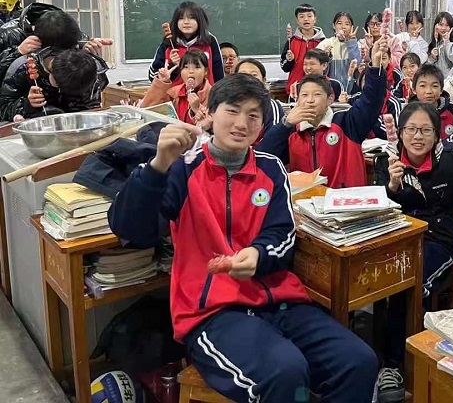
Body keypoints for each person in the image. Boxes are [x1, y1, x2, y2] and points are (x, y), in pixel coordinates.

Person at [109, 74, 378, 403]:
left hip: (279, 301)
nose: (241, 123)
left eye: (253, 115)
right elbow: (131, 230)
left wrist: (260, 254)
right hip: (212, 311)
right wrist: (158, 164)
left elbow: (282, 234)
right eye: (232, 111)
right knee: (284, 372)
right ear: (211, 112)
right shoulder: (184, 168)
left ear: (263, 124)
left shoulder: (270, 168)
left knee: (358, 362)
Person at [372, 102, 453, 400]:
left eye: (426, 130)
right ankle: (384, 349)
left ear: (436, 134)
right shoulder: (387, 159)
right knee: (376, 279)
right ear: (400, 132)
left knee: (407, 284)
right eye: (411, 129)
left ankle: (395, 364)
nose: (417, 136)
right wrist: (392, 185)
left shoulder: (452, 157)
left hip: (439, 241)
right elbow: (377, 203)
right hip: (400, 239)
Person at [260, 37, 390, 188]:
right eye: (304, 95)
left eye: (317, 95)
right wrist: (286, 123)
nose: (310, 100)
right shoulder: (292, 131)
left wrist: (375, 66)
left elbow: (371, 101)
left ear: (330, 99)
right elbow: (263, 155)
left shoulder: (347, 123)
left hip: (345, 200)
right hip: (305, 200)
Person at [0, 48, 108, 121]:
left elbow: (90, 112)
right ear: (51, 70)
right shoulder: (23, 68)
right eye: (59, 86)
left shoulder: (91, 76)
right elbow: (3, 108)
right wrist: (26, 105)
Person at [148, 1, 224, 85]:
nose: (186, 22)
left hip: (205, 93)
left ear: (200, 20)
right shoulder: (169, 42)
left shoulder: (209, 41)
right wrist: (172, 65)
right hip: (174, 92)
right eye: (181, 18)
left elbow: (219, 74)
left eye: (191, 18)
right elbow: (152, 76)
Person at [140, 50, 212, 125]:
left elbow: (213, 126)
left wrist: (197, 109)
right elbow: (146, 109)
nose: (191, 71)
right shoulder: (174, 93)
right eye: (186, 67)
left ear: (206, 71)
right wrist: (162, 82)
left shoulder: (213, 95)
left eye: (197, 67)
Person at [280, 4, 325, 95]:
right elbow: (285, 68)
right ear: (297, 20)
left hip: (318, 88)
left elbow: (326, 67)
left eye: (309, 16)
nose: (306, 19)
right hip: (295, 89)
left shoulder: (323, 41)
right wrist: (289, 60)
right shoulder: (291, 41)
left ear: (315, 19)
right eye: (302, 17)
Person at [408, 63, 453, 139]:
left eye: (434, 86)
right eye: (423, 86)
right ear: (414, 89)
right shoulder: (407, 113)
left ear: (441, 89)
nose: (429, 91)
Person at [315, 11, 360, 88]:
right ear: (334, 26)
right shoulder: (325, 43)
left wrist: (351, 43)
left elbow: (357, 65)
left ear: (352, 27)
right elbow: (315, 68)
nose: (343, 27)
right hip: (329, 89)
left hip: (351, 89)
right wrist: (325, 56)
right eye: (339, 23)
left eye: (347, 24)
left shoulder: (356, 44)